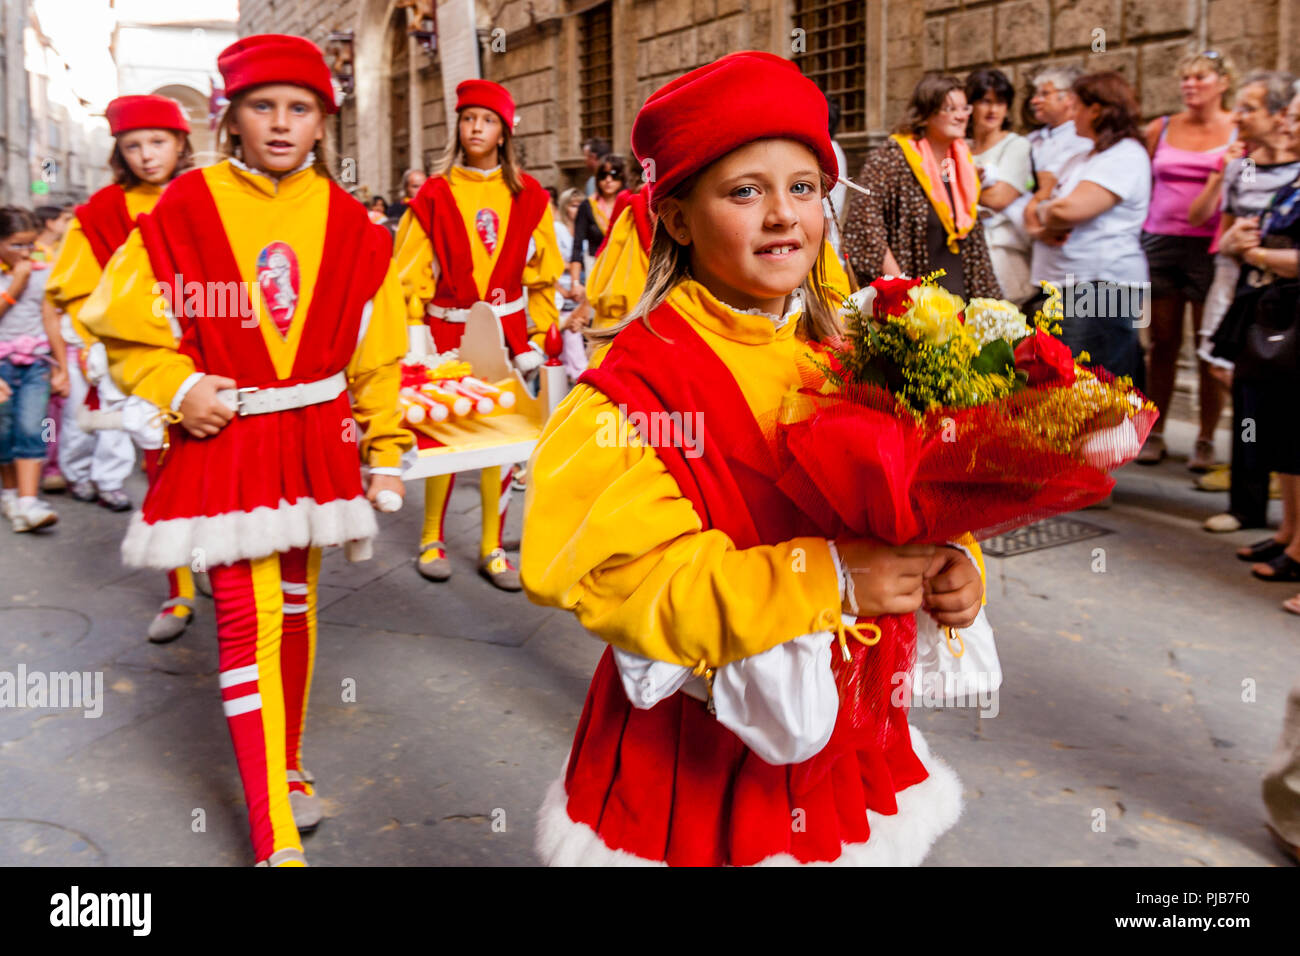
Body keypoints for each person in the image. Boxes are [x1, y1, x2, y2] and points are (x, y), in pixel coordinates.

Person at [522, 51, 986, 866]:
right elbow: (620, 580)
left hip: (847, 732)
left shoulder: (856, 354)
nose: (783, 215)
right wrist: (830, 579)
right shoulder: (629, 392)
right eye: (745, 190)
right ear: (673, 215)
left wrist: (953, 562)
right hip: (702, 751)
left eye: (803, 187)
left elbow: (910, 497)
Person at [80, 34, 412, 866]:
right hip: (222, 440)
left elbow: (379, 352)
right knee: (245, 617)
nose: (280, 124)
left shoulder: (355, 225)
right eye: (262, 106)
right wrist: (175, 386)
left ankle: (289, 766)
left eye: (299, 109)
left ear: (322, 123)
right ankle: (272, 839)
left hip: (313, 440)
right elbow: (128, 330)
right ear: (230, 117)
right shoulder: (182, 208)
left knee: (296, 610)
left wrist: (385, 444)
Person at [394, 78, 562, 590]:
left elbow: (543, 277)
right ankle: (431, 538)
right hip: (448, 334)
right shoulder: (435, 193)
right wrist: (412, 340)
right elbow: (408, 276)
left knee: (501, 439)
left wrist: (542, 334)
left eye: (487, 120)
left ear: (504, 132)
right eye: (468, 119)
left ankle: (492, 547)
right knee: (445, 436)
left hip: (508, 340)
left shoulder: (530, 195)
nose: (476, 128)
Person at [46, 94, 200, 644]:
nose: (146, 155)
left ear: (181, 143)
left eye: (158, 142)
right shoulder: (100, 212)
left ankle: (211, 561)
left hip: (213, 358)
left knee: (212, 474)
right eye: (133, 146)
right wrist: (98, 346)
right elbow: (77, 290)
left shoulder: (209, 195)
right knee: (161, 476)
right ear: (119, 151)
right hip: (142, 366)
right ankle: (178, 588)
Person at [1192, 70, 1299, 534]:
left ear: (1279, 116)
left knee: (1282, 401)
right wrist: (1234, 242)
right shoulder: (1241, 167)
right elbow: (1220, 232)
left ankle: (1286, 521)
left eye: (1250, 107)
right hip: (1243, 286)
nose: (1240, 116)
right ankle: (1247, 503)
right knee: (1241, 387)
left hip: (1284, 293)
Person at [1137, 51, 1239, 468]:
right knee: (1161, 342)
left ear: (1223, 82)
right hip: (1160, 241)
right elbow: (1139, 179)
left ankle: (1205, 438)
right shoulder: (1160, 128)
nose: (1190, 84)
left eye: (1200, 77)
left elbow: (1246, 185)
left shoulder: (1238, 129)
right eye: (1185, 78)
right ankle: (1155, 431)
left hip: (1210, 246)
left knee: (1206, 345)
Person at [1025, 71, 1151, 382]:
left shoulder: (1125, 154)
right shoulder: (1081, 157)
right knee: (1059, 387)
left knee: (1090, 387)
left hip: (1100, 287)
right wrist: (1046, 216)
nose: (1071, 111)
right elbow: (1036, 208)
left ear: (1096, 110)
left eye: (1076, 104)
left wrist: (1049, 211)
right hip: (1065, 284)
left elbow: (1069, 208)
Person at [842, 73, 1001, 297]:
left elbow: (973, 244)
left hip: (961, 303)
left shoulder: (961, 162)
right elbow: (863, 224)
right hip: (914, 306)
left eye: (965, 108)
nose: (961, 117)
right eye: (949, 109)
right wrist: (901, 289)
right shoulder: (891, 159)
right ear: (925, 114)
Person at [0, 207, 68, 532]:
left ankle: (28, 501)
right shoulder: (15, 275)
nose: (25, 252)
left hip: (36, 363)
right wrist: (15, 286)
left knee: (33, 427)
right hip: (1, 364)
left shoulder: (43, 271)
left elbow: (50, 319)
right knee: (4, 432)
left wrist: (62, 368)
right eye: (16, 245)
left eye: (29, 245)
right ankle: (10, 494)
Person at [966, 68, 1034, 304]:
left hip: (1001, 253)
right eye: (986, 101)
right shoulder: (960, 146)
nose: (993, 110)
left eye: (1001, 102)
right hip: (962, 251)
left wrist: (960, 186)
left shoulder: (1016, 145)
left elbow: (999, 198)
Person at [32, 203, 74, 493]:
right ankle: (47, 464)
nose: (67, 224)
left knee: (58, 408)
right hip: (37, 339)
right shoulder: (33, 252)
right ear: (49, 223)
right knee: (46, 411)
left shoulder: (63, 250)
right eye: (64, 219)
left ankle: (54, 462)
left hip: (59, 336)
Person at [568, 153, 624, 295]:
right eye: (603, 175)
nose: (608, 180)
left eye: (614, 174)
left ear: (622, 178)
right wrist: (575, 283)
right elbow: (577, 246)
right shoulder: (587, 206)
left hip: (626, 269)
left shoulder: (630, 204)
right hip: (596, 269)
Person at [553, 186, 587, 380]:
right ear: (566, 207)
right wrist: (572, 269)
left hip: (583, 290)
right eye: (574, 205)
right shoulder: (558, 229)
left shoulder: (584, 230)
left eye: (581, 206)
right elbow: (553, 263)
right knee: (570, 330)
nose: (577, 210)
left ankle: (571, 371)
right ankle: (579, 372)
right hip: (561, 289)